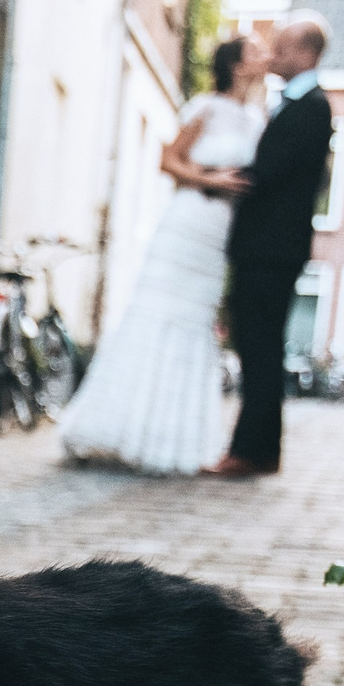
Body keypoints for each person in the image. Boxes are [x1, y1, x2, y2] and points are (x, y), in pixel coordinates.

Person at [58, 37, 266, 474]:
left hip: (218, 235)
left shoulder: (256, 119)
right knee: (155, 314)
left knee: (194, 322)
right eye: (255, 50)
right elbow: (168, 160)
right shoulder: (206, 108)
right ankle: (114, 424)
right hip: (189, 221)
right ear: (235, 63)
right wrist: (210, 178)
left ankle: (170, 437)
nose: (263, 56)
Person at [204, 14, 333, 477]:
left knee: (258, 346)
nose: (273, 54)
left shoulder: (313, 107)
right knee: (259, 345)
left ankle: (249, 451)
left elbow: (268, 173)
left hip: (271, 250)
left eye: (281, 46)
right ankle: (262, 449)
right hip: (269, 249)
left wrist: (209, 180)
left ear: (305, 53)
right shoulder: (290, 104)